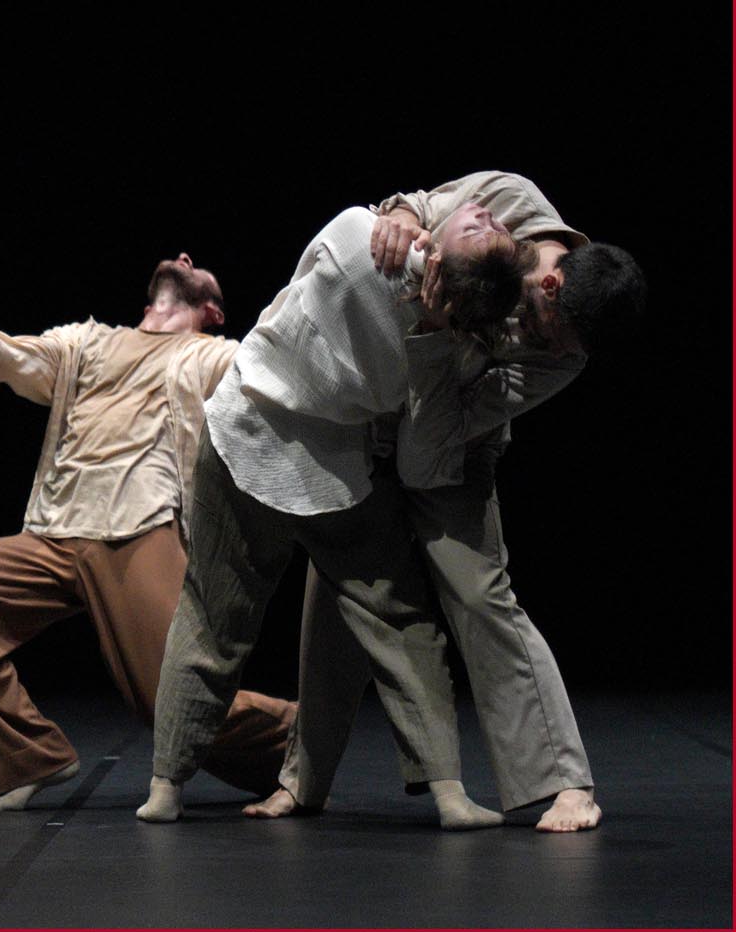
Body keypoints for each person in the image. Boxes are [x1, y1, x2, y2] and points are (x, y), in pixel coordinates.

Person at [252, 172, 645, 832]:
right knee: (340, 594)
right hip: (370, 418)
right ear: (551, 284)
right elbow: (419, 208)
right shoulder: (512, 198)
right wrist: (403, 217)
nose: (553, 348)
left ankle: (566, 785)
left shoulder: (563, 358)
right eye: (555, 334)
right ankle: (302, 781)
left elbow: (432, 449)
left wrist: (436, 335)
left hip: (451, 448)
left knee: (481, 595)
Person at [142, 201, 533, 829]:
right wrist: (437, 331)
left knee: (213, 614)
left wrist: (400, 220)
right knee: (397, 616)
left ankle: (166, 784)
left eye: (483, 229)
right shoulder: (456, 351)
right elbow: (417, 448)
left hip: (250, 433)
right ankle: (448, 790)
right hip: (328, 472)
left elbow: (309, 280)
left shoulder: (358, 239)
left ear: (438, 259)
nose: (488, 214)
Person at [0, 255, 298, 812]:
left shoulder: (211, 355)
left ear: (213, 311)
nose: (183, 258)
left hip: (141, 527)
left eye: (197, 264)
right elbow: (9, 356)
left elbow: (276, 364)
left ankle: (306, 736)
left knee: (171, 702)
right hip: (54, 530)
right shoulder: (85, 342)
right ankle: (28, 758)